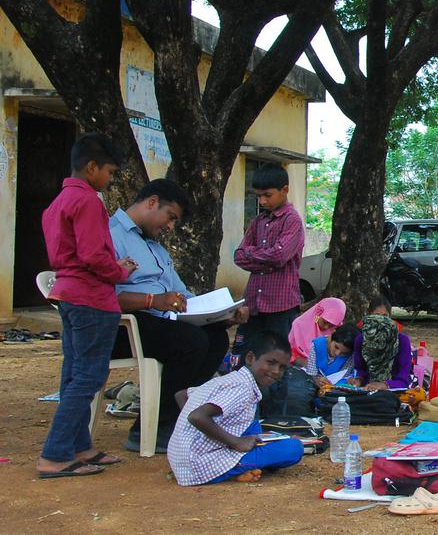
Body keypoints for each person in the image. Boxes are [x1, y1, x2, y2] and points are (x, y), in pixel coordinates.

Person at [109, 178, 249, 453]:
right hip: (124, 326)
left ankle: (179, 417)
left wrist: (220, 314)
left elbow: (182, 295)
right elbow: (103, 295)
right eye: (170, 217)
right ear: (152, 202)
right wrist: (153, 300)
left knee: (216, 338)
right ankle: (154, 427)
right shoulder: (110, 235)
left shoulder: (156, 248)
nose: (170, 226)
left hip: (161, 324)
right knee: (190, 341)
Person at [36, 134, 137, 479]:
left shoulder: (57, 203)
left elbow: (73, 253)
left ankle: (79, 446)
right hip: (91, 297)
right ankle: (55, 454)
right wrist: (119, 270)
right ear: (92, 167)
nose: (110, 180)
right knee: (89, 378)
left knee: (74, 375)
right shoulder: (89, 202)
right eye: (109, 172)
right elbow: (93, 255)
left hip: (69, 295)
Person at [167, 331, 304, 485]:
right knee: (293, 449)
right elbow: (196, 417)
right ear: (250, 358)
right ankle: (235, 468)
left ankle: (243, 461)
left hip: (180, 457)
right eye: (271, 362)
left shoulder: (231, 378)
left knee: (252, 424)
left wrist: (192, 434)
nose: (276, 371)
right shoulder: (242, 388)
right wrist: (235, 442)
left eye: (282, 367)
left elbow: (181, 395)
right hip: (197, 466)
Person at [232, 163, 304, 366]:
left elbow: (279, 256)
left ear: (285, 190)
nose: (262, 201)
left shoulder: (292, 220)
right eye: (259, 196)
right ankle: (247, 398)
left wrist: (253, 254)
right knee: (248, 357)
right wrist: (266, 259)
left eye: (268, 195)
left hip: (281, 306)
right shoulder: (258, 221)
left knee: (277, 362)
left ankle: (274, 399)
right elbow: (238, 256)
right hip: (254, 304)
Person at [349, 297, 413, 390]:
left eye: (385, 316)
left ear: (390, 318)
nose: (381, 320)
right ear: (369, 316)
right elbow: (360, 370)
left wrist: (385, 385)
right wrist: (358, 380)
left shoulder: (402, 340)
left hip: (396, 390)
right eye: (377, 315)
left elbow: (403, 378)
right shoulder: (361, 340)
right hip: (368, 389)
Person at [288, 297, 347, 364]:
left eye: (332, 325)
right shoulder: (299, 325)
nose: (326, 327)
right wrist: (297, 359)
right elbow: (287, 350)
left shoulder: (335, 331)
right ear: (319, 313)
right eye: (325, 322)